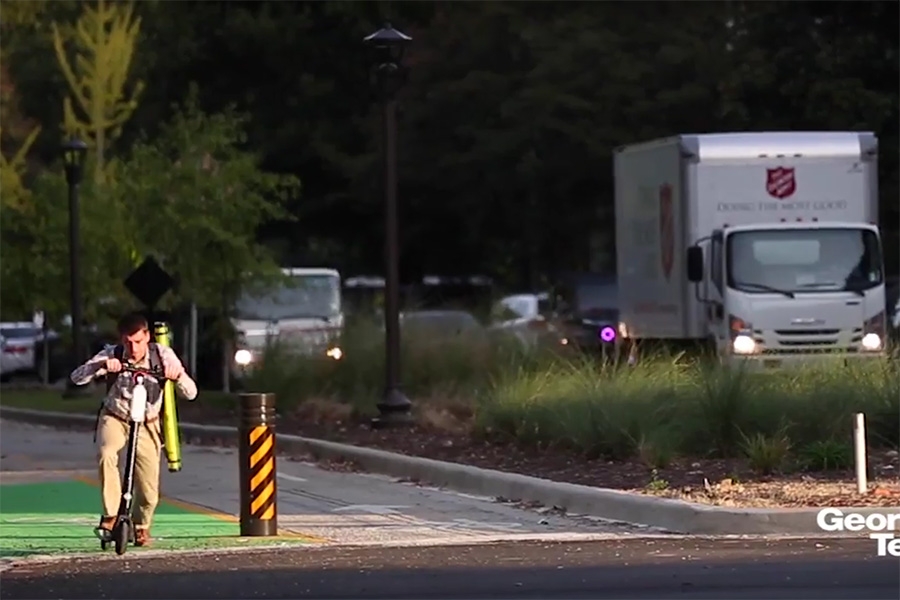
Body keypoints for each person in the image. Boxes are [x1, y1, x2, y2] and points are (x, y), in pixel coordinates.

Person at [70, 312, 198, 546]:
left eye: (138, 342)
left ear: (147, 337)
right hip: (116, 416)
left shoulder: (162, 355)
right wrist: (101, 366)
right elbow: (77, 377)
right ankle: (110, 515)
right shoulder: (113, 353)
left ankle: (141, 525)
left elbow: (191, 393)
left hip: (148, 421)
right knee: (107, 453)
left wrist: (177, 375)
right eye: (128, 342)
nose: (133, 348)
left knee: (149, 490)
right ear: (121, 340)